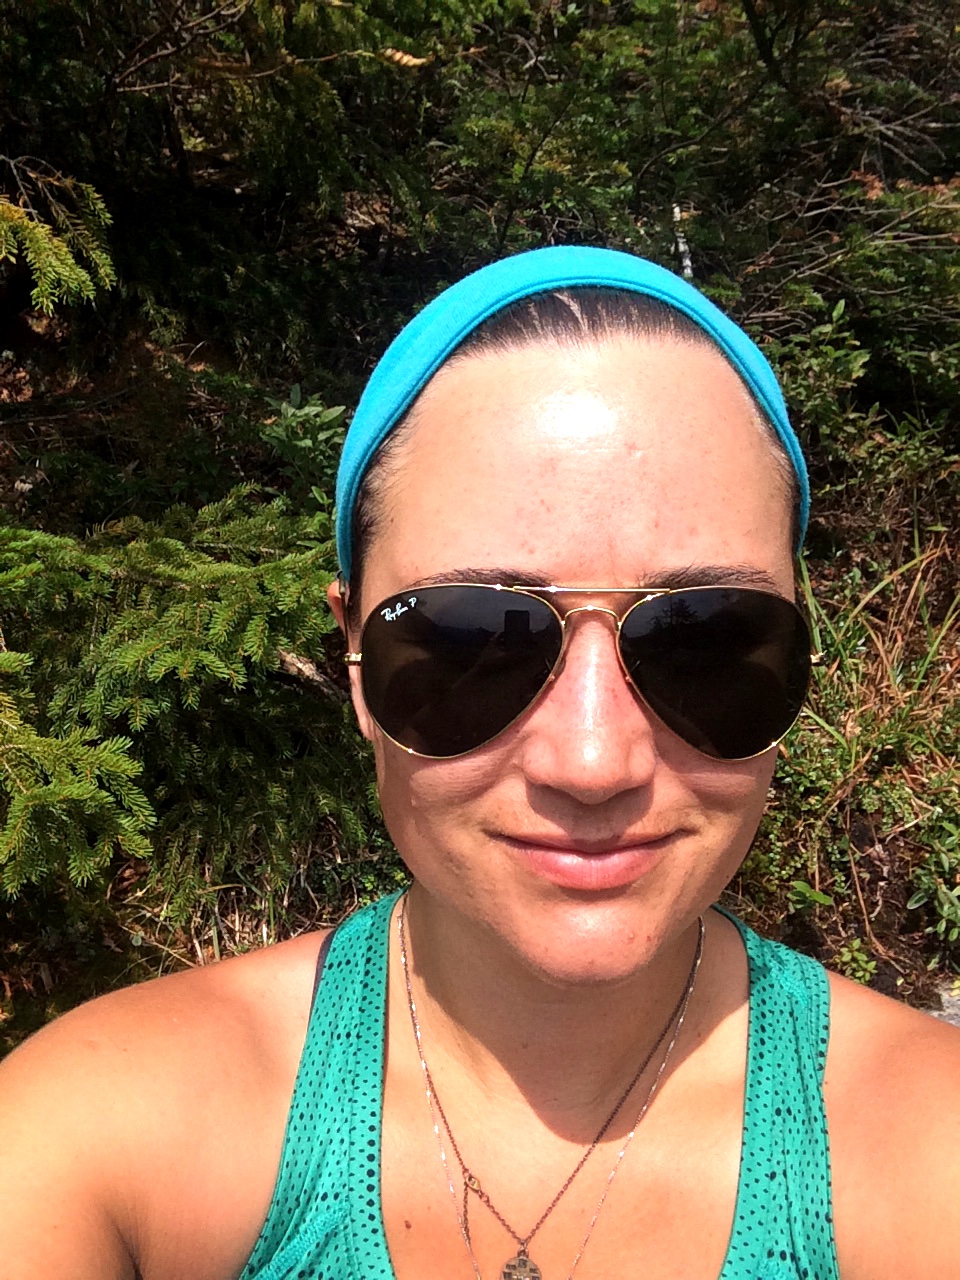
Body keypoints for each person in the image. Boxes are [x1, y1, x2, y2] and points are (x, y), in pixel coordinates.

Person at [1, 247, 958, 1280]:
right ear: (354, 657)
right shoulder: (92, 1135)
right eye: (471, 642)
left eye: (708, 639)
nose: (592, 759)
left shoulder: (928, 1144)